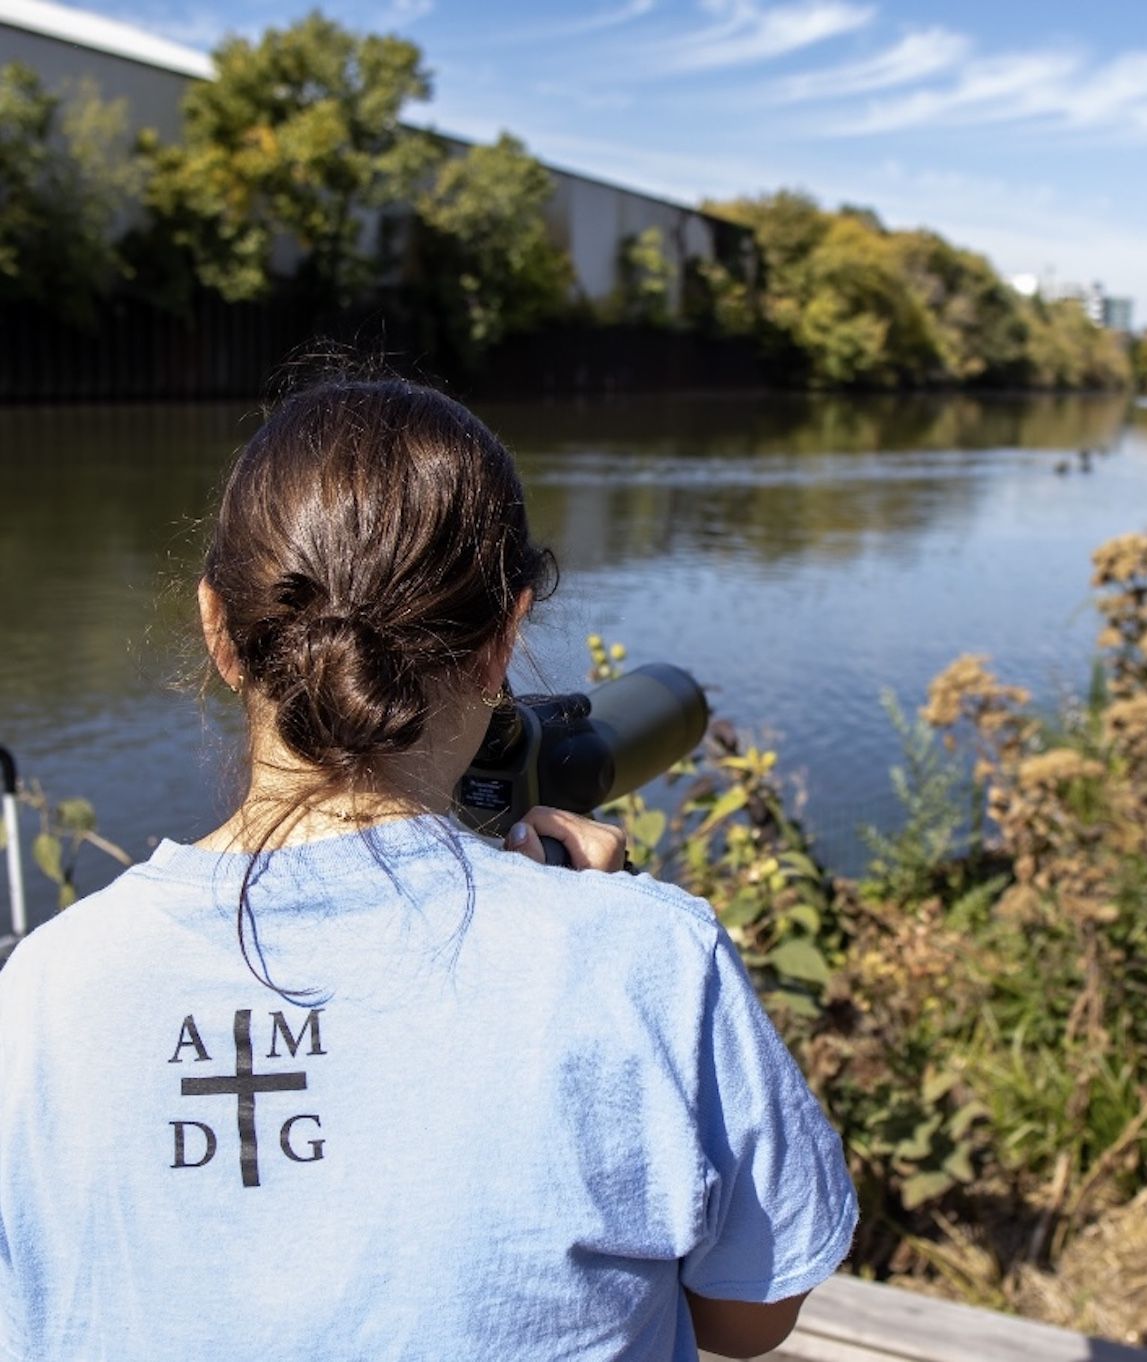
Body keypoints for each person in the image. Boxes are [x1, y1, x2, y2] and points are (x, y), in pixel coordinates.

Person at [0, 375, 856, 1361]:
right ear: (504, 639)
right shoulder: (648, 961)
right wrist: (587, 930)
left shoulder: (45, 987)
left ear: (217, 629)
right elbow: (749, 1318)